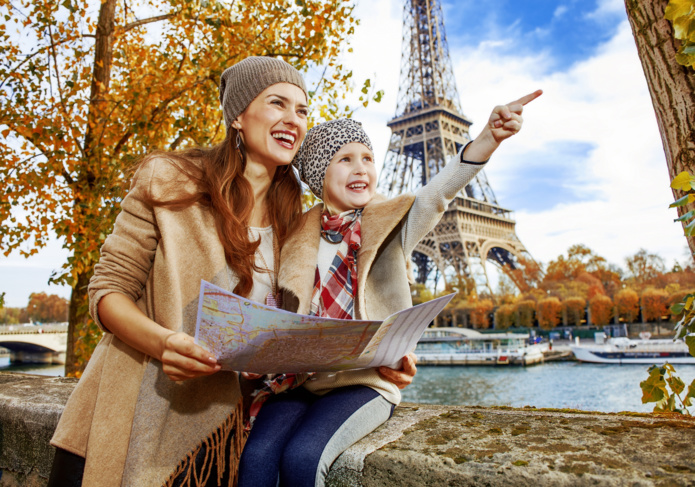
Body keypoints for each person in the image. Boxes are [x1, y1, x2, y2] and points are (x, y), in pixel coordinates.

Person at [47, 56, 417, 487]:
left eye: (302, 110)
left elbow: (302, 333)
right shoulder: (167, 179)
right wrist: (165, 343)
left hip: (216, 436)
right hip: (127, 411)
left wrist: (378, 358)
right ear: (238, 116)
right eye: (277, 103)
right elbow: (108, 290)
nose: (293, 120)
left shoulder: (295, 226)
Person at [237, 90, 542, 487]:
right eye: (345, 159)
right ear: (318, 174)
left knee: (303, 458)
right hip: (300, 380)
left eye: (367, 158)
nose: (360, 168)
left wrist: (488, 138)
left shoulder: (390, 225)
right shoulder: (294, 235)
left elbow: (436, 196)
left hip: (364, 381)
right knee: (256, 459)